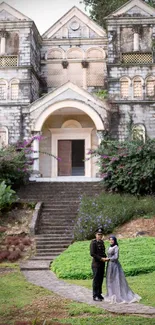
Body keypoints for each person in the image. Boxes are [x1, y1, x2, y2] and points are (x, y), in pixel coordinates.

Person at [104, 235, 141, 304]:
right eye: (110, 240)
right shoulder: (109, 247)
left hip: (115, 265)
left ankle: (119, 295)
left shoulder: (116, 247)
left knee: (116, 279)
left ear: (115, 241)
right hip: (109, 265)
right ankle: (111, 294)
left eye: (112, 240)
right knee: (110, 279)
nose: (111, 241)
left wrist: (109, 259)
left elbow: (116, 257)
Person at [90, 227, 108, 301]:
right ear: (95, 235)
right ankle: (95, 295)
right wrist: (101, 259)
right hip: (96, 264)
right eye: (98, 234)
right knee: (96, 280)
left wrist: (106, 258)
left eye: (101, 234)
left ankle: (99, 294)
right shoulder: (93, 243)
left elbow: (102, 253)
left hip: (102, 264)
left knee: (100, 279)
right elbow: (92, 253)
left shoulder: (101, 242)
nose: (100, 236)